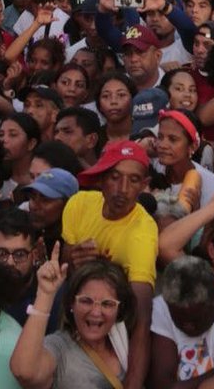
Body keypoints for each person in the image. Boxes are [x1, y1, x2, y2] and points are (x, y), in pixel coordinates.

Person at [61, 140, 157, 389]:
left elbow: (141, 320)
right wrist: (73, 262)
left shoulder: (142, 234)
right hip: (72, 309)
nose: (123, 189)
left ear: (144, 186)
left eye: (134, 180)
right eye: (115, 177)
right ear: (101, 179)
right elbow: (64, 266)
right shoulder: (78, 204)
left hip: (112, 325)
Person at [10, 247, 136, 389]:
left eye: (107, 304)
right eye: (86, 301)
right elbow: (23, 372)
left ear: (119, 309)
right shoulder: (60, 347)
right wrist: (45, 294)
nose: (95, 312)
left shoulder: (128, 341)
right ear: (72, 304)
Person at [149, 255, 214, 385]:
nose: (188, 326)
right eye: (179, 318)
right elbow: (161, 383)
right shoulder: (162, 304)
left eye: (195, 319)